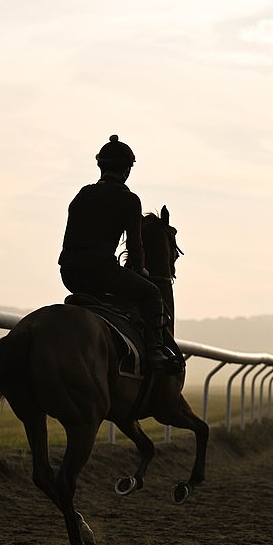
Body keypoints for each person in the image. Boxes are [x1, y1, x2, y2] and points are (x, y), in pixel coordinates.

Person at [58, 135, 178, 373]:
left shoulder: (83, 194)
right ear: (127, 170)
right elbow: (135, 247)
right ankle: (155, 354)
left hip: (69, 274)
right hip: (102, 273)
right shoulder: (129, 199)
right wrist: (141, 269)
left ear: (100, 165)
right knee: (153, 294)